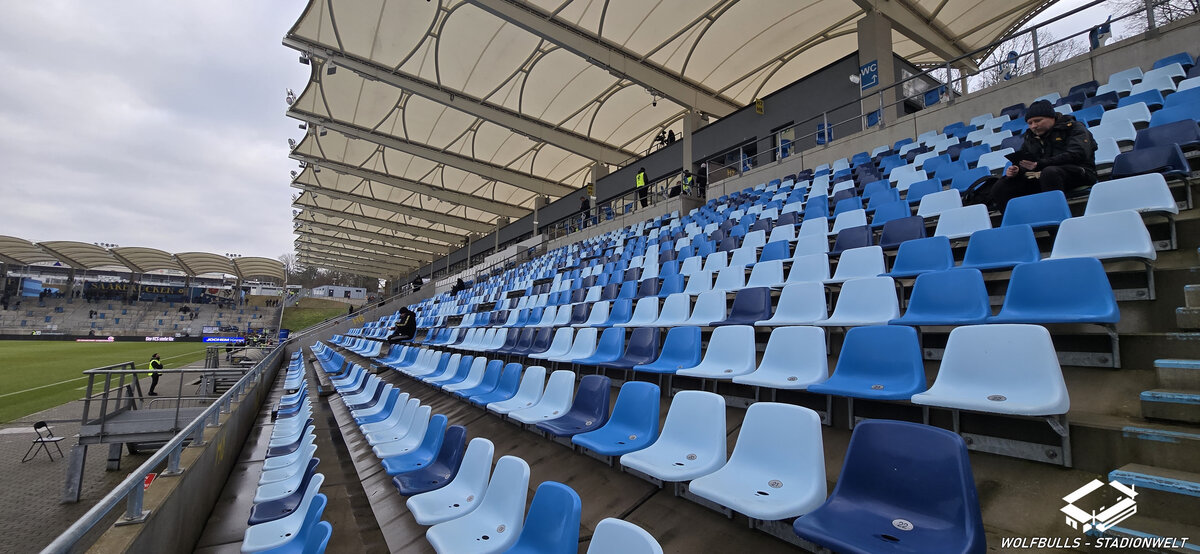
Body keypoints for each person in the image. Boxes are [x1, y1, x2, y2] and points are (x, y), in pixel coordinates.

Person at [988, 99, 1097, 213]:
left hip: (1080, 172)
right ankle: (1017, 222)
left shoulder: (1074, 128)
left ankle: (1055, 222)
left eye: (1038, 121)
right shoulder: (1030, 138)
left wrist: (1040, 164)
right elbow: (1026, 161)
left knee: (1049, 172)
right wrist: (1017, 170)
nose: (1033, 126)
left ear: (1052, 117)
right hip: (1044, 176)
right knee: (1001, 186)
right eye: (1030, 123)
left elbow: (1078, 154)